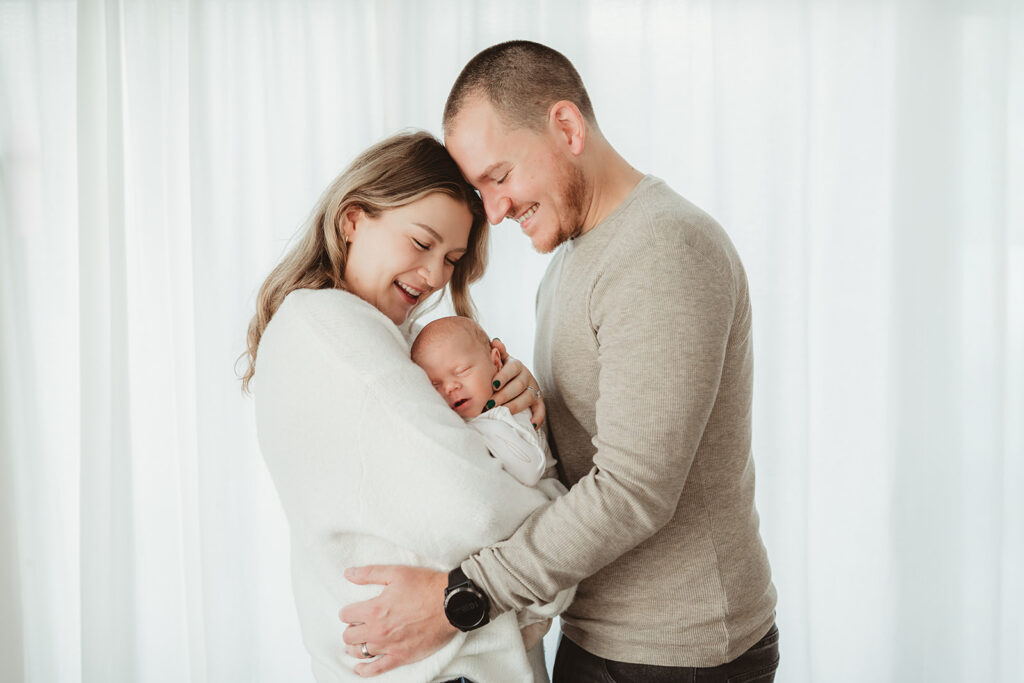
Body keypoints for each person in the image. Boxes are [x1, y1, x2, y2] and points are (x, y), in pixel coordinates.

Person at [341, 41, 780, 682]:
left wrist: (461, 596)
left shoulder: (662, 249)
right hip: (599, 635)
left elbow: (633, 491)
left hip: (675, 655)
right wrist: (523, 398)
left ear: (567, 127)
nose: (493, 210)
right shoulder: (574, 260)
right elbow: (592, 440)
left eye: (499, 176)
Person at [244, 130, 566, 682]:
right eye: (421, 243)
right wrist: (556, 505)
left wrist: (506, 409)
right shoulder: (328, 326)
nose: (436, 275)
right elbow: (472, 509)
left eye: (452, 259)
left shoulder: (393, 340)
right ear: (352, 220)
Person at [411, 316, 561, 489]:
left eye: (462, 371)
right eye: (435, 384)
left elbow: (530, 472)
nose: (450, 387)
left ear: (496, 362)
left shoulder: (508, 411)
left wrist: (475, 428)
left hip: (550, 501)